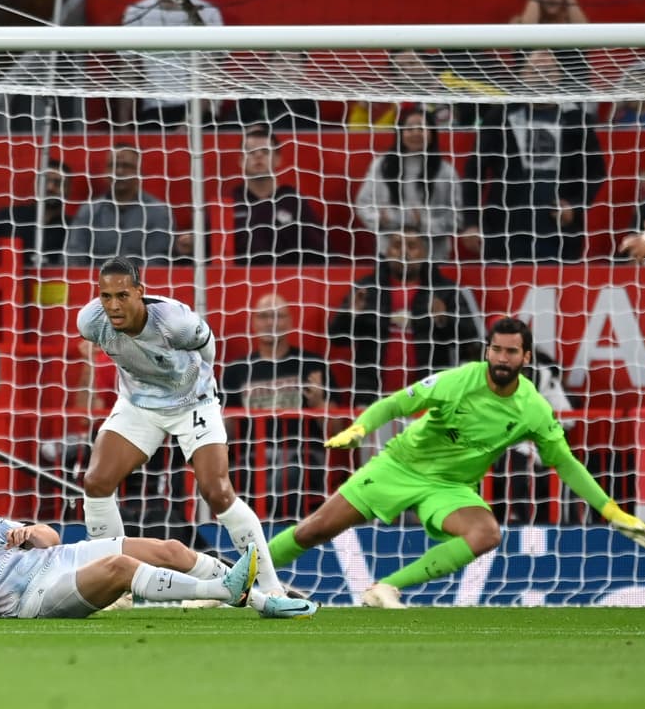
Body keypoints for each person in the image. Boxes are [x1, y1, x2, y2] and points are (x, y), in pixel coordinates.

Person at [266, 317, 645, 608]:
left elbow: (566, 463)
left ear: (525, 357)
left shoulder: (533, 409)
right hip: (400, 467)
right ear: (488, 350)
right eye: (497, 349)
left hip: (450, 488)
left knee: (486, 533)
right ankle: (240, 581)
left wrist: (612, 511)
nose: (502, 358)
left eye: (511, 352)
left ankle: (384, 588)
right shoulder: (459, 380)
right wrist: (361, 427)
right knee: (314, 530)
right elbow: (397, 402)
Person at [75, 257, 305, 610]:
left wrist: (194, 387)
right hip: (138, 405)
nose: (114, 305)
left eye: (122, 295)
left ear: (140, 292)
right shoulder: (91, 322)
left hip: (192, 403)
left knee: (217, 492)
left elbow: (208, 352)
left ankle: (272, 587)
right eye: (106, 296)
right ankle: (113, 589)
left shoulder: (175, 321)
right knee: (96, 482)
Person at [0, 474, 314, 619]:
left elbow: (49, 536)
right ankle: (228, 591)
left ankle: (261, 599)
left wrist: (29, 532)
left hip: (56, 557)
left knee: (171, 548)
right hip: (35, 600)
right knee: (118, 566)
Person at [461, 50, 604, 262]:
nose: (542, 73)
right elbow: (475, 170)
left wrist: (575, 205)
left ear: (559, 75)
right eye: (535, 69)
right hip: (505, 227)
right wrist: (471, 221)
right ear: (522, 75)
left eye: (548, 69)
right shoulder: (500, 115)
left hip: (558, 232)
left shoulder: (576, 118)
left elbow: (595, 171)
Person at [329, 229, 481, 407]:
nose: (403, 252)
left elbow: (470, 340)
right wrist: (351, 315)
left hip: (429, 398)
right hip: (373, 399)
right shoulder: (367, 289)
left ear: (424, 252)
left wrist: (443, 320)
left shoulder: (445, 290)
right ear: (387, 252)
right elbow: (337, 338)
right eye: (396, 245)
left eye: (411, 246)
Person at [221, 293, 338, 521]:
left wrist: (318, 404)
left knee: (288, 475)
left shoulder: (313, 365)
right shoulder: (237, 370)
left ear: (290, 322)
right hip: (253, 458)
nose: (270, 323)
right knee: (231, 478)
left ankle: (269, 535)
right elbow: (229, 431)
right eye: (264, 317)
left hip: (303, 456)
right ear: (254, 323)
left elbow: (336, 430)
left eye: (277, 316)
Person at [117, 0, 222, 128]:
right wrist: (124, 128)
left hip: (200, 112)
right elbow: (128, 74)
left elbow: (211, 75)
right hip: (153, 111)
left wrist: (190, 122)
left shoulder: (209, 13)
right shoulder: (136, 12)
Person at [354, 107, 462, 262]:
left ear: (432, 133)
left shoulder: (446, 171)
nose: (416, 133)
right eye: (409, 128)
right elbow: (363, 204)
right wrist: (379, 219)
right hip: (389, 254)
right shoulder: (380, 166)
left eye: (421, 128)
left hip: (433, 256)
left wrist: (424, 224)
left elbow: (458, 216)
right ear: (400, 133)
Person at [66, 145, 174, 267]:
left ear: (139, 172)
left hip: (143, 284)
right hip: (94, 283)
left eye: (126, 166)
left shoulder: (158, 212)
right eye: (113, 166)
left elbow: (157, 262)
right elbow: (74, 256)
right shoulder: (88, 211)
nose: (119, 172)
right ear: (105, 172)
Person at [231, 126, 326, 264]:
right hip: (238, 282)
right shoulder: (229, 202)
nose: (258, 156)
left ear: (278, 159)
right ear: (241, 160)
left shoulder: (293, 202)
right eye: (251, 152)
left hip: (290, 281)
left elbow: (319, 252)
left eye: (265, 151)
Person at [0, 158, 71, 267]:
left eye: (58, 183)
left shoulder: (71, 228)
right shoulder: (7, 218)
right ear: (35, 185)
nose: (50, 187)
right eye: (45, 181)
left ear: (68, 189)